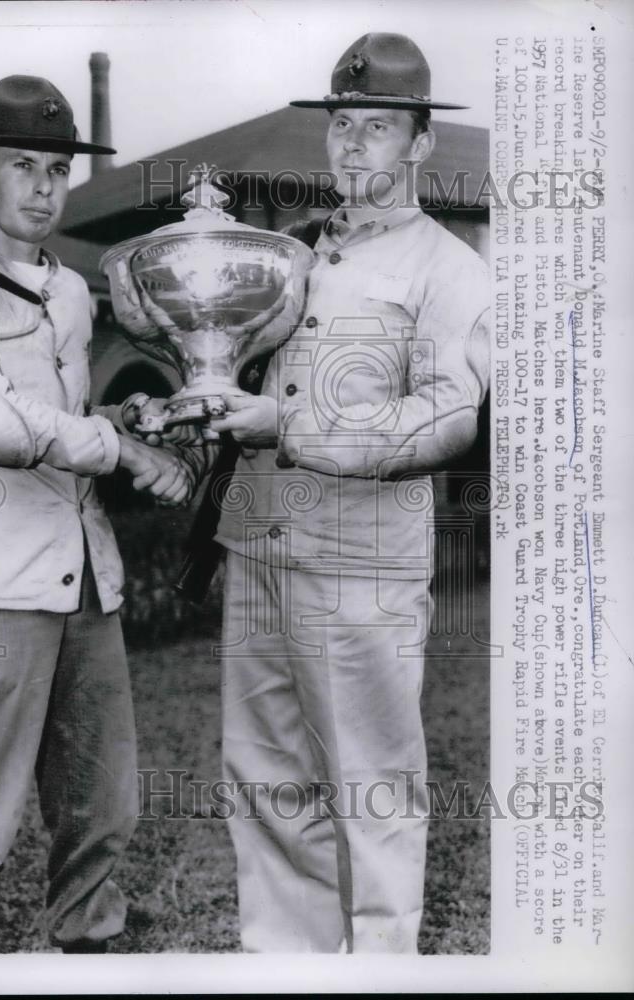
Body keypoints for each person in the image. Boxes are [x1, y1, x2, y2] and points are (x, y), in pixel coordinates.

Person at [135, 32, 489, 953]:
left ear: (421, 144)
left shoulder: (449, 269)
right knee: (266, 781)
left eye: (379, 125)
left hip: (363, 562)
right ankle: (283, 964)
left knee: (371, 786)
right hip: (258, 542)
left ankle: (378, 967)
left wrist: (286, 428)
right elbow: (240, 384)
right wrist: (186, 405)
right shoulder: (289, 257)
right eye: (342, 123)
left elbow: (448, 420)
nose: (354, 142)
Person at [0, 75, 190, 954]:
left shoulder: (67, 290)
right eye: (22, 164)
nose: (44, 186)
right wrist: (121, 449)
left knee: (103, 811)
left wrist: (131, 420)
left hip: (86, 579)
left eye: (58, 168)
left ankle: (86, 955)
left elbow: (61, 418)